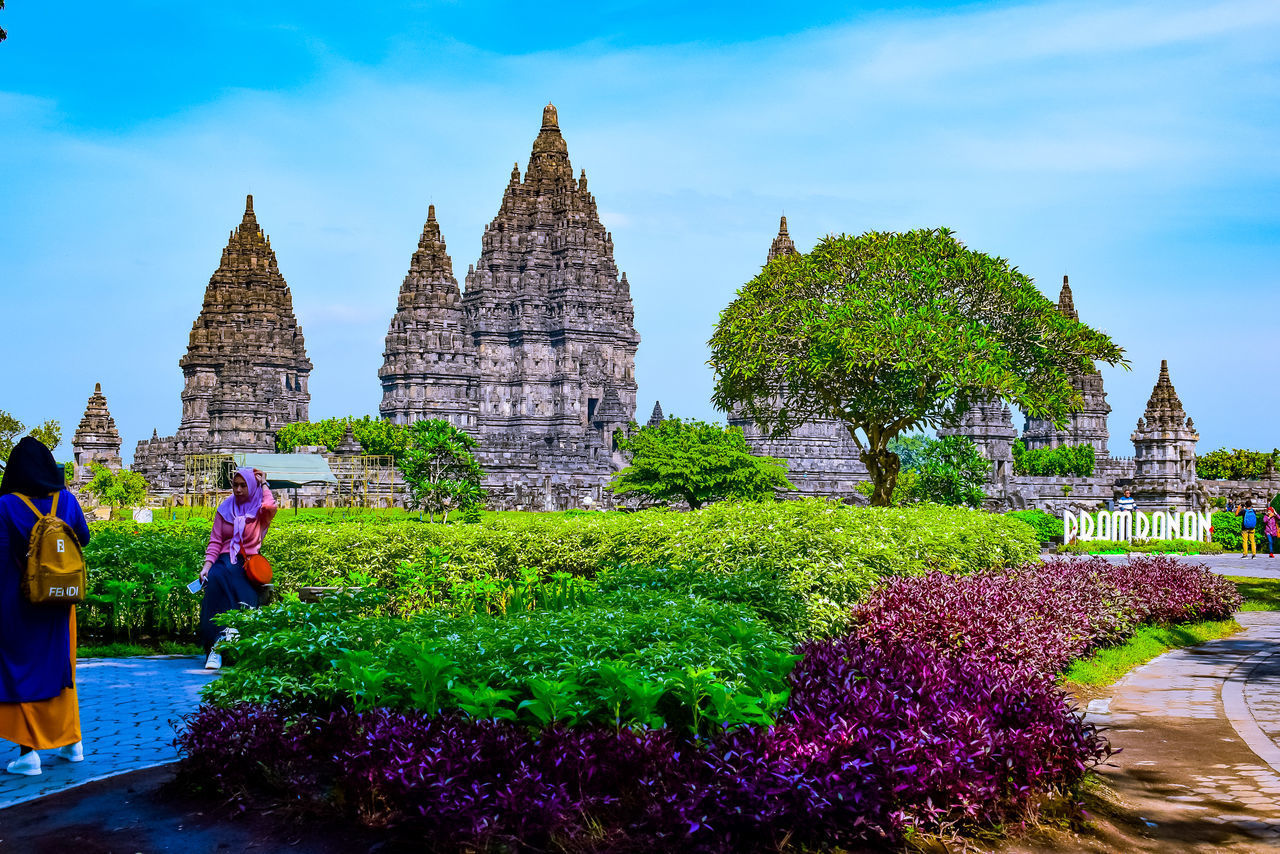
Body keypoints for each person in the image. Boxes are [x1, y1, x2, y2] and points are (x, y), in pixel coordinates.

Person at [0, 437, 90, 776]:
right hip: (59, 602)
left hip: (17, 605)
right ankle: (72, 743)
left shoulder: (7, 505)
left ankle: (28, 753)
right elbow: (83, 538)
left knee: (19, 672)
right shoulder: (65, 499)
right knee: (61, 672)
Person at [198, 467, 276, 670]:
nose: (239, 490)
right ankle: (215, 644)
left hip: (247, 562)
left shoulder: (258, 510)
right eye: (235, 485)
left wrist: (264, 483)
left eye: (244, 485)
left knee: (239, 584)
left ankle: (232, 641)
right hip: (224, 560)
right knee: (214, 579)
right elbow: (215, 541)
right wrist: (206, 567)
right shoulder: (225, 508)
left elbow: (270, 507)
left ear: (251, 486)